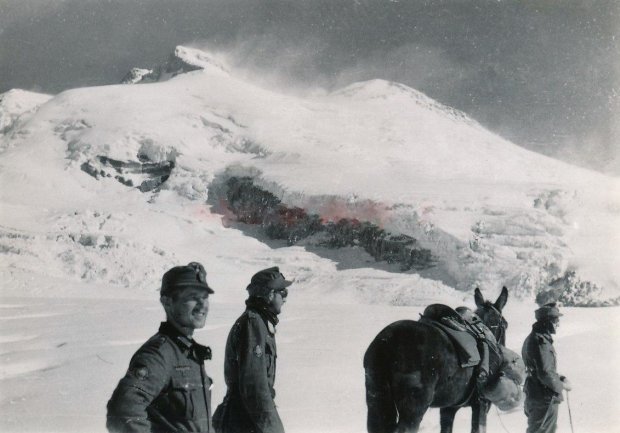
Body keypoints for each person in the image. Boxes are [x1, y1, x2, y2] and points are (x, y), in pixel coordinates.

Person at [107, 262, 215, 433]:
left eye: (205, 297)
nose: (203, 305)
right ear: (167, 302)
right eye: (193, 297)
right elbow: (121, 413)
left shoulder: (188, 353)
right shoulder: (159, 355)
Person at [213, 266, 293, 433]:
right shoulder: (253, 324)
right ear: (270, 295)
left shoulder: (260, 323)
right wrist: (273, 428)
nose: (285, 298)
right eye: (283, 293)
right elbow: (254, 386)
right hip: (245, 421)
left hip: (249, 419)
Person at [522, 302, 572, 433]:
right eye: (556, 320)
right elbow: (545, 373)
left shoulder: (533, 338)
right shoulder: (541, 342)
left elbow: (539, 368)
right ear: (547, 322)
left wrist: (560, 377)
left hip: (535, 393)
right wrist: (562, 386)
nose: (558, 324)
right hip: (544, 398)